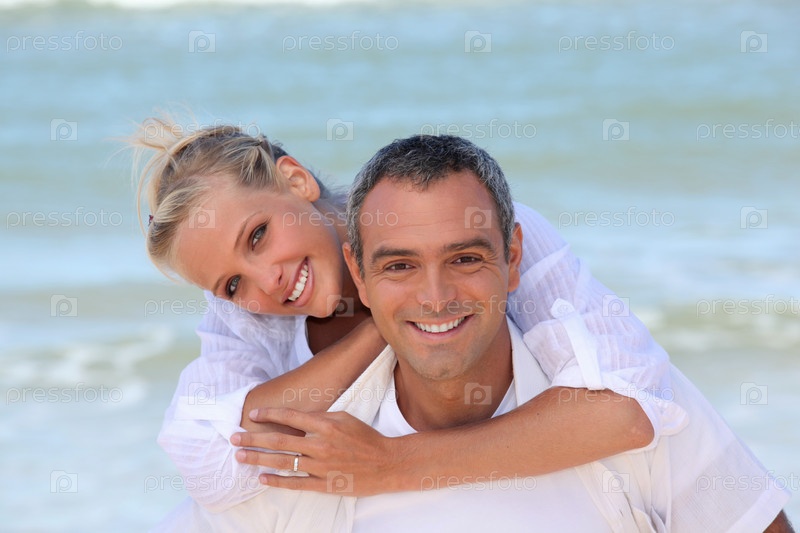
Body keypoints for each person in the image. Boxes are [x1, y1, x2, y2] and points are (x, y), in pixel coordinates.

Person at [229, 135, 792, 532]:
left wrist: (394, 464)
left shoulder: (636, 403)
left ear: (514, 256)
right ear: (359, 274)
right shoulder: (313, 464)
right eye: (400, 266)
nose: (436, 297)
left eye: (465, 259)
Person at [132, 116, 677, 515]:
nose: (264, 280)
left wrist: (395, 464)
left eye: (257, 236)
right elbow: (210, 468)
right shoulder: (248, 312)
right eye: (230, 284)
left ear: (296, 182)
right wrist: (383, 324)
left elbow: (630, 406)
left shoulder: (468, 229)